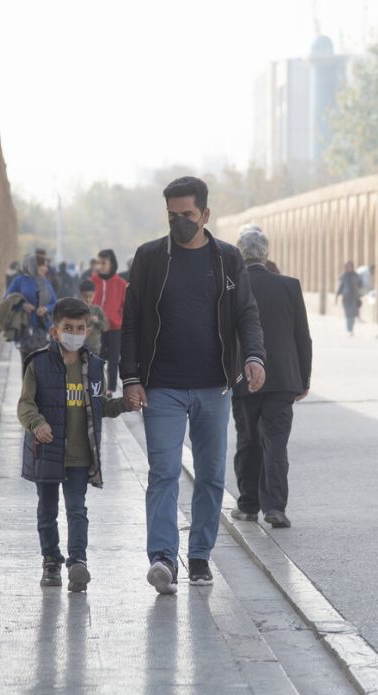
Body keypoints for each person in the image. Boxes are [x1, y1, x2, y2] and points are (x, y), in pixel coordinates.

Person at [121, 175, 265, 594]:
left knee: (211, 476)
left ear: (204, 214)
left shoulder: (226, 259)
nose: (179, 222)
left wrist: (254, 357)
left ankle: (199, 555)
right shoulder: (150, 259)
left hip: (213, 387)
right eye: (172, 216)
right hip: (162, 386)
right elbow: (131, 321)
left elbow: (247, 315)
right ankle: (163, 557)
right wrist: (131, 377)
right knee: (163, 472)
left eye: (187, 215)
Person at [17, 297, 136, 592]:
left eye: (80, 328)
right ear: (55, 331)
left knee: (77, 509)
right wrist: (37, 423)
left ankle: (78, 562)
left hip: (81, 455)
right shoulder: (39, 363)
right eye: (68, 327)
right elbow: (25, 405)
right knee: (47, 511)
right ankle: (51, 562)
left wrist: (123, 404)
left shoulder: (94, 366)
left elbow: (99, 407)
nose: (74, 333)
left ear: (87, 330)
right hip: (46, 450)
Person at [230, 226, 311, 528]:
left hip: (244, 376)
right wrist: (303, 378)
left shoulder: (233, 287)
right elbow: (302, 337)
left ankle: (248, 504)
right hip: (282, 379)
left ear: (239, 252)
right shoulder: (289, 286)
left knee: (248, 440)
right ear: (267, 253)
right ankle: (275, 507)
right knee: (276, 443)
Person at [4, 253, 57, 369]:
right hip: (26, 329)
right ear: (33, 266)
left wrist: (46, 308)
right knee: (28, 366)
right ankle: (28, 387)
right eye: (43, 266)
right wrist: (22, 306)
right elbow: (7, 300)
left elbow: (55, 303)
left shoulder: (45, 282)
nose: (46, 269)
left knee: (43, 367)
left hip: (44, 330)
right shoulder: (20, 281)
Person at [90, 249, 129, 396]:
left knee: (113, 359)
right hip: (97, 327)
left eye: (103, 263)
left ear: (111, 263)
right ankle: (97, 386)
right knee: (97, 358)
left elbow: (125, 306)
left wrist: (120, 320)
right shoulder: (93, 281)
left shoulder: (121, 283)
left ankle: (110, 389)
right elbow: (87, 301)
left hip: (115, 327)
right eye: (98, 262)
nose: (100, 266)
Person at [77, 279, 108, 356]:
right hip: (79, 347)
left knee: (94, 367)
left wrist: (97, 321)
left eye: (90, 296)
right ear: (80, 295)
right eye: (85, 296)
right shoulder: (76, 310)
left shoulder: (97, 310)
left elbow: (105, 327)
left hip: (95, 347)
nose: (88, 299)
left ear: (94, 294)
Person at [335, 261, 362, 335]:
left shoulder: (355, 275)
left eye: (350, 266)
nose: (348, 268)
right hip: (346, 297)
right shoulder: (343, 276)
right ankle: (349, 329)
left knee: (353, 314)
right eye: (347, 267)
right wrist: (337, 295)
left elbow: (360, 284)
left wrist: (358, 288)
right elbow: (341, 286)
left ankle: (351, 328)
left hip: (354, 297)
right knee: (348, 314)